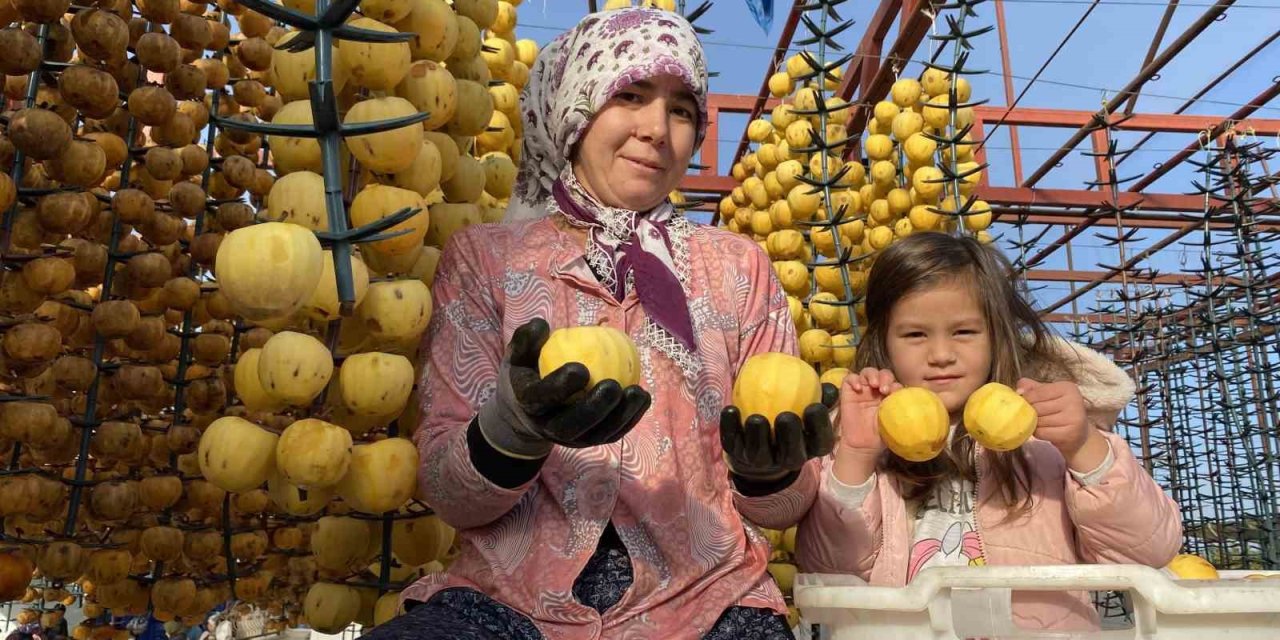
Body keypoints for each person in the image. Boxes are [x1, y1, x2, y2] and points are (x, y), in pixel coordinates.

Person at [365, 7, 835, 640]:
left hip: (710, 600)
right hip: (508, 601)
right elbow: (449, 492)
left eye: (681, 110)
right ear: (577, 105)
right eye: (631, 95)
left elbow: (785, 508)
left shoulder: (738, 268)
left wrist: (769, 471)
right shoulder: (488, 260)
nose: (656, 130)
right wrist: (512, 431)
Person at [795, 232, 1183, 631]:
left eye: (963, 331)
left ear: (997, 336)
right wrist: (856, 456)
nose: (942, 354)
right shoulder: (865, 436)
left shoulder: (1045, 439)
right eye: (915, 335)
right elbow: (828, 569)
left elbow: (1146, 551)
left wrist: (1084, 447)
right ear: (884, 343)